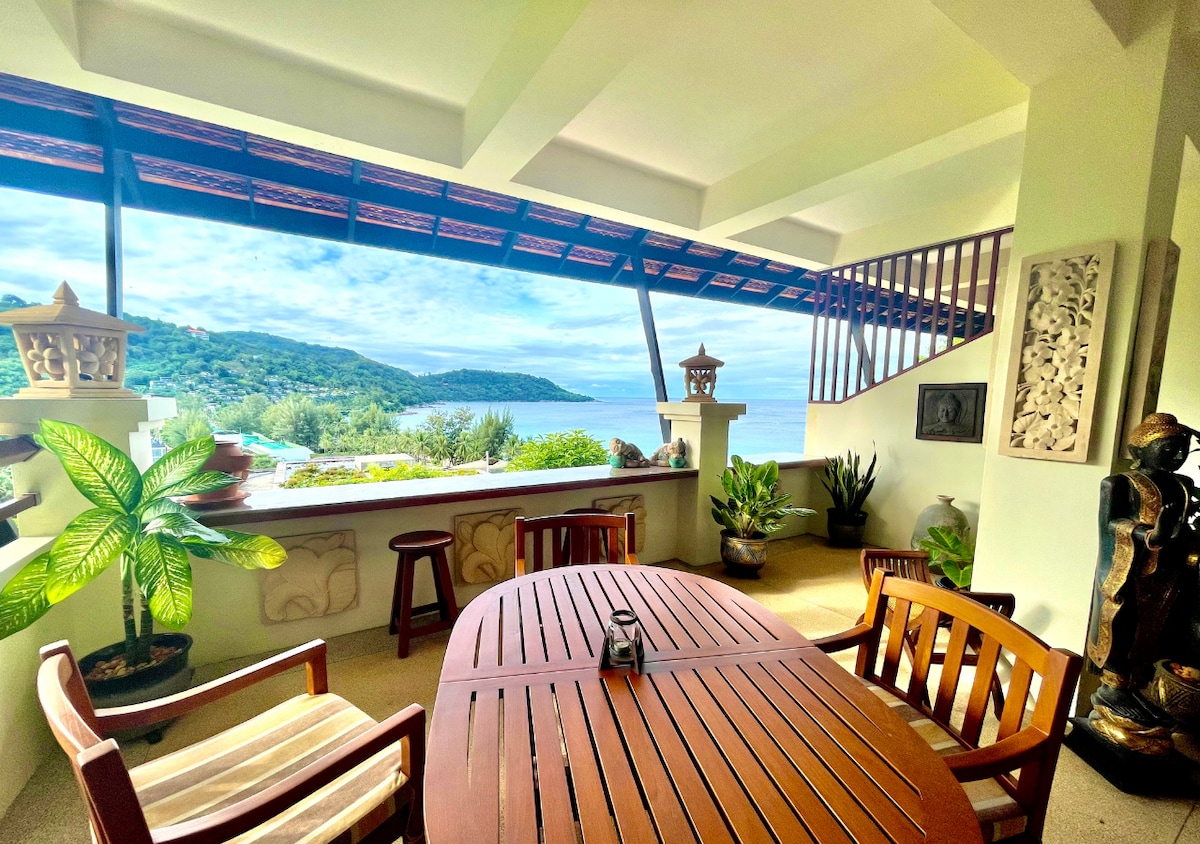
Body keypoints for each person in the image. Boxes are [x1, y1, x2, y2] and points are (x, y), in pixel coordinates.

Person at [1085, 412, 1200, 753]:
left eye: (1183, 448)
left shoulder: (1182, 485)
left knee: (1160, 630)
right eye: (1169, 447)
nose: (1178, 455)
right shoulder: (1120, 484)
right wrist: (1148, 534)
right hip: (1128, 569)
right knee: (1123, 624)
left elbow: (1184, 526)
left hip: (1170, 571)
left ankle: (1139, 690)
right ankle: (1113, 689)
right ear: (1142, 447)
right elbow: (1109, 524)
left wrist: (1183, 537)